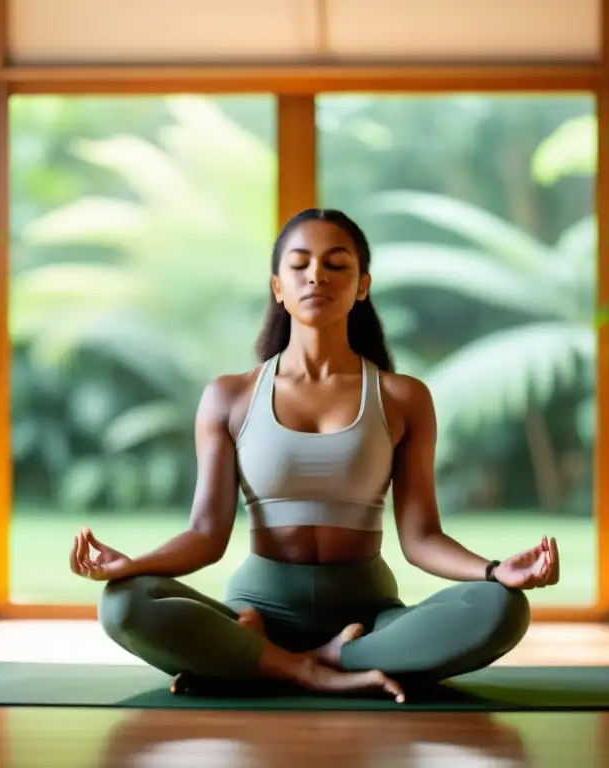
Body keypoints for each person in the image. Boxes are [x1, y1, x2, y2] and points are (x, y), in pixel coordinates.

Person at [68, 208, 560, 703]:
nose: (316, 276)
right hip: (253, 612)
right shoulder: (231, 396)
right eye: (299, 264)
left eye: (336, 264)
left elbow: (422, 538)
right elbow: (205, 534)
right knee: (124, 604)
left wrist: (496, 572)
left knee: (503, 609)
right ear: (278, 287)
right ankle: (302, 666)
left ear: (362, 285)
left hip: (365, 620)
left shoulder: (403, 397)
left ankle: (292, 660)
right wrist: (131, 567)